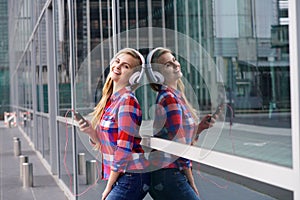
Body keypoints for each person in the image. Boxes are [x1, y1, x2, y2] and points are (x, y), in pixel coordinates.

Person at [76, 48, 150, 200]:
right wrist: (92, 132)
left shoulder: (127, 101)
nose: (118, 66)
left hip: (131, 176)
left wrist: (109, 186)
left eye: (126, 66)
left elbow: (123, 149)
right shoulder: (112, 101)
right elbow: (109, 145)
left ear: (134, 76)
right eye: (117, 61)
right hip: (122, 175)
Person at [147, 47, 217, 200]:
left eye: (174, 60)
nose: (175, 64)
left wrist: (199, 129)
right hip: (169, 174)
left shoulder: (174, 96)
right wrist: (190, 180)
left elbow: (178, 137)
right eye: (167, 64)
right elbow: (179, 146)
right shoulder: (169, 99)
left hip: (165, 174)